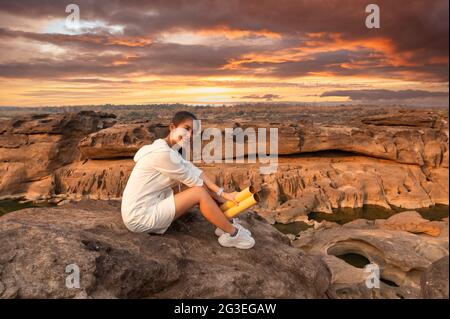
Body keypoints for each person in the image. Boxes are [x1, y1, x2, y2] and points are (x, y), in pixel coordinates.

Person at [121, 111, 255, 249]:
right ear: (172, 127)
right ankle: (233, 234)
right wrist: (222, 196)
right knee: (199, 192)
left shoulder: (167, 148)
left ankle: (224, 222)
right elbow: (196, 182)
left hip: (150, 204)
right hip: (139, 217)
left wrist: (222, 193)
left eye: (193, 132)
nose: (189, 136)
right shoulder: (163, 154)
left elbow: (196, 171)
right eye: (186, 128)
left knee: (194, 188)